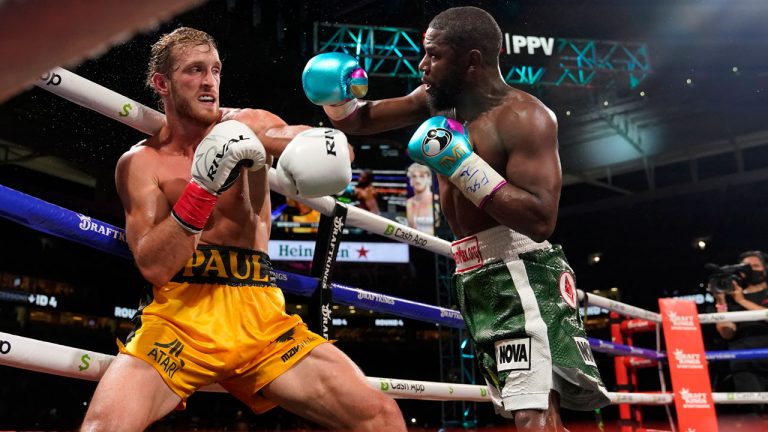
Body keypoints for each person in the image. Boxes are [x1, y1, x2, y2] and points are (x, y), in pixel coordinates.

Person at [80, 27, 404, 432]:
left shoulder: (247, 124)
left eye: (215, 70)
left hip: (262, 319)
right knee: (102, 429)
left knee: (381, 416)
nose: (209, 82)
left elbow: (306, 141)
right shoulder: (141, 163)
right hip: (180, 320)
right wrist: (202, 188)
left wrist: (327, 144)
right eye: (194, 70)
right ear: (161, 83)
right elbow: (154, 266)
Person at [303, 6, 609, 431]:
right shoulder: (435, 102)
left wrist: (462, 164)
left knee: (530, 408)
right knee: (533, 404)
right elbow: (363, 119)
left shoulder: (525, 117)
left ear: (471, 61)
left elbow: (540, 219)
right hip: (475, 273)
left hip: (521, 270)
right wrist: (337, 98)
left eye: (434, 56)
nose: (422, 65)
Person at [714, 250, 768, 416]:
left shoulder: (741, 299)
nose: (751, 270)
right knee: (753, 415)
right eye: (747, 267)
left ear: (765, 269)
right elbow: (727, 334)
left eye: (755, 266)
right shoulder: (731, 299)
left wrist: (742, 301)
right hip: (745, 363)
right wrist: (721, 302)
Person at [405, 163, 438, 235]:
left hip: (436, 243)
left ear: (429, 178)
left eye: (422, 176)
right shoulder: (410, 202)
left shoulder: (437, 200)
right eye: (414, 176)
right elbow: (411, 229)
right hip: (416, 244)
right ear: (410, 180)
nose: (417, 180)